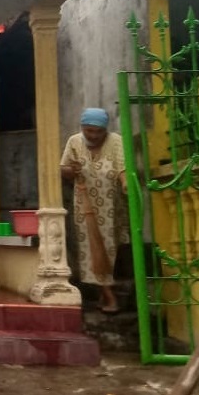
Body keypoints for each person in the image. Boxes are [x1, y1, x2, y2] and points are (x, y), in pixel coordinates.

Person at [60, 107, 129, 314]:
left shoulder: (116, 141)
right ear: (82, 128)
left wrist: (125, 184)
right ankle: (111, 297)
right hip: (85, 205)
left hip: (110, 207)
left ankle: (103, 296)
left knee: (107, 248)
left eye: (98, 132)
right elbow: (63, 169)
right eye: (89, 131)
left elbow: (122, 168)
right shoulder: (74, 141)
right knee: (90, 249)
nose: (94, 135)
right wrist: (72, 171)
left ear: (105, 130)